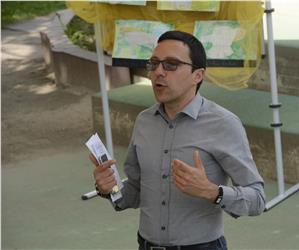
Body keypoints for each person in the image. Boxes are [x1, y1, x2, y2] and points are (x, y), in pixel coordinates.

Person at [90, 30, 265, 250]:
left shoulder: (223, 124)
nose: (158, 73)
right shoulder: (144, 121)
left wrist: (211, 192)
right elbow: (134, 191)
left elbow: (257, 199)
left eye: (171, 65)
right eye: (154, 64)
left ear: (197, 75)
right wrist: (110, 189)